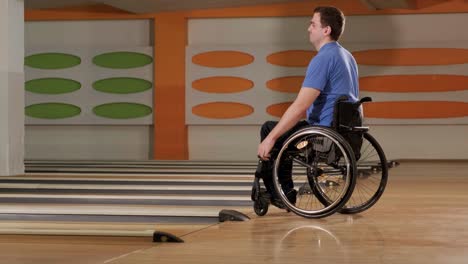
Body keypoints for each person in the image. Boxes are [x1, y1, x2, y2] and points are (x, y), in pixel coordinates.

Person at [255, 6, 360, 207]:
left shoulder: (323, 59)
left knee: (270, 129)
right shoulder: (347, 56)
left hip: (323, 135)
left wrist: (270, 139)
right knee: (286, 133)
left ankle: (282, 193)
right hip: (345, 134)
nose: (308, 28)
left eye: (313, 24)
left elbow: (300, 106)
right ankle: (282, 191)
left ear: (326, 30)